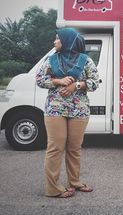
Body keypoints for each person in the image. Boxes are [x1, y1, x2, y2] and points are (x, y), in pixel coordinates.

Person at [36, 27, 99, 198]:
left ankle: (75, 182)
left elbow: (95, 82)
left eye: (57, 39)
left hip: (79, 110)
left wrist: (76, 85)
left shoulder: (85, 61)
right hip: (55, 109)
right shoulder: (51, 60)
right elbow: (40, 79)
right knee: (55, 148)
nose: (54, 42)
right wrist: (58, 81)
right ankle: (52, 188)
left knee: (74, 148)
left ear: (68, 42)